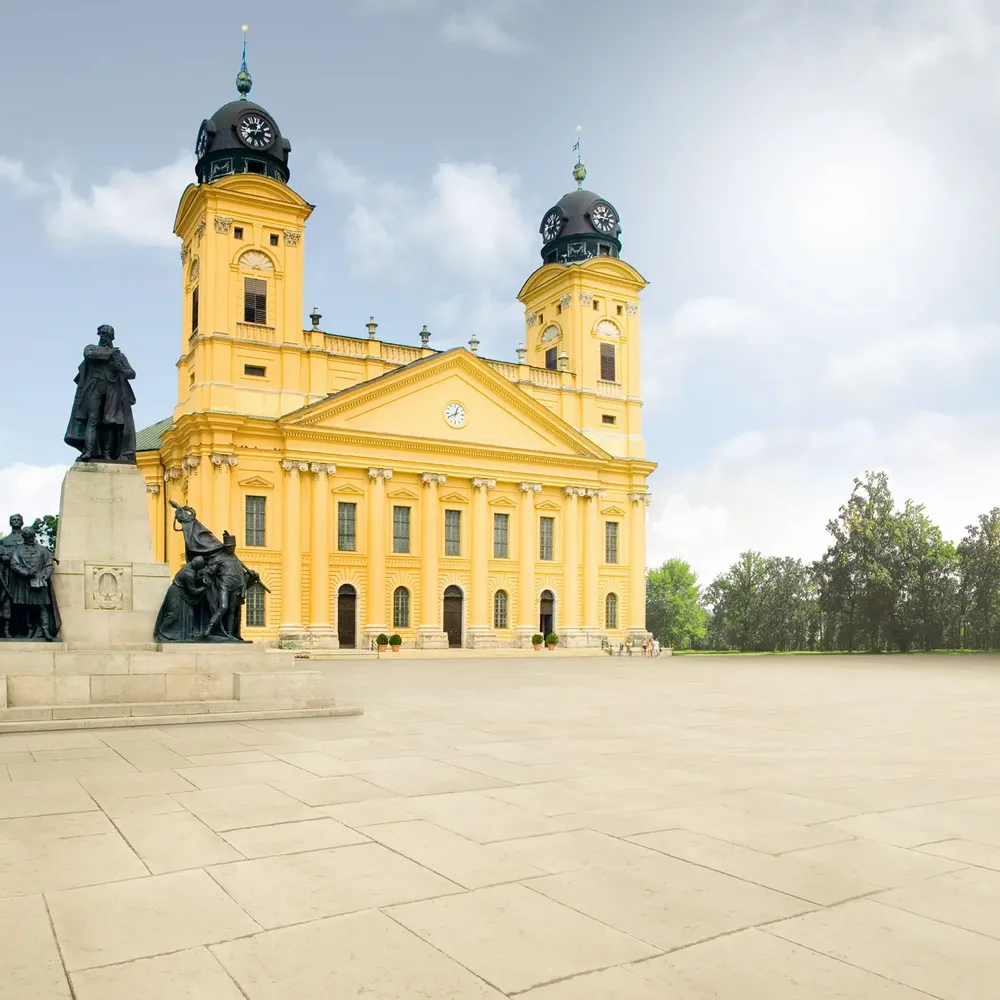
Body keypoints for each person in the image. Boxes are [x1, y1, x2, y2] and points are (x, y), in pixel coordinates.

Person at [64, 324, 137, 463]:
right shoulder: (92, 348)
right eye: (102, 334)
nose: (104, 337)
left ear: (112, 337)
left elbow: (132, 373)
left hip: (113, 389)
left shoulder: (119, 356)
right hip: (94, 388)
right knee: (93, 419)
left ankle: (107, 454)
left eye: (107, 335)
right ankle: (89, 451)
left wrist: (120, 369)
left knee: (110, 422)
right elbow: (89, 354)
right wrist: (110, 354)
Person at [1, 527, 60, 640]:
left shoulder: (43, 550)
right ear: (23, 537)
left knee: (43, 607)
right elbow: (14, 564)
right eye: (26, 536)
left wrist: (45, 576)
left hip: (40, 582)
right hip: (25, 583)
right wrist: (26, 572)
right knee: (27, 608)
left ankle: (46, 631)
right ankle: (30, 629)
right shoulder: (18, 550)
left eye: (30, 536)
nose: (28, 538)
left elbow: (48, 565)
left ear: (33, 536)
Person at [153, 556, 208, 642]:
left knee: (190, 614)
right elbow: (193, 591)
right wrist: (204, 587)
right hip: (176, 592)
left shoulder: (189, 565)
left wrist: (201, 577)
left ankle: (186, 635)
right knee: (173, 615)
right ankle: (161, 633)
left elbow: (194, 578)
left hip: (181, 592)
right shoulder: (189, 573)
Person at [0, 513, 26, 638]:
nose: (16, 521)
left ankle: (26, 628)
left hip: (24, 576)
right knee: (7, 601)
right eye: (13, 520)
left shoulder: (27, 537)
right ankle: (7, 629)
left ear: (22, 522)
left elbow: (37, 550)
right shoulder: (5, 541)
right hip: (9, 575)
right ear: (10, 523)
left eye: (18, 519)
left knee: (25, 601)